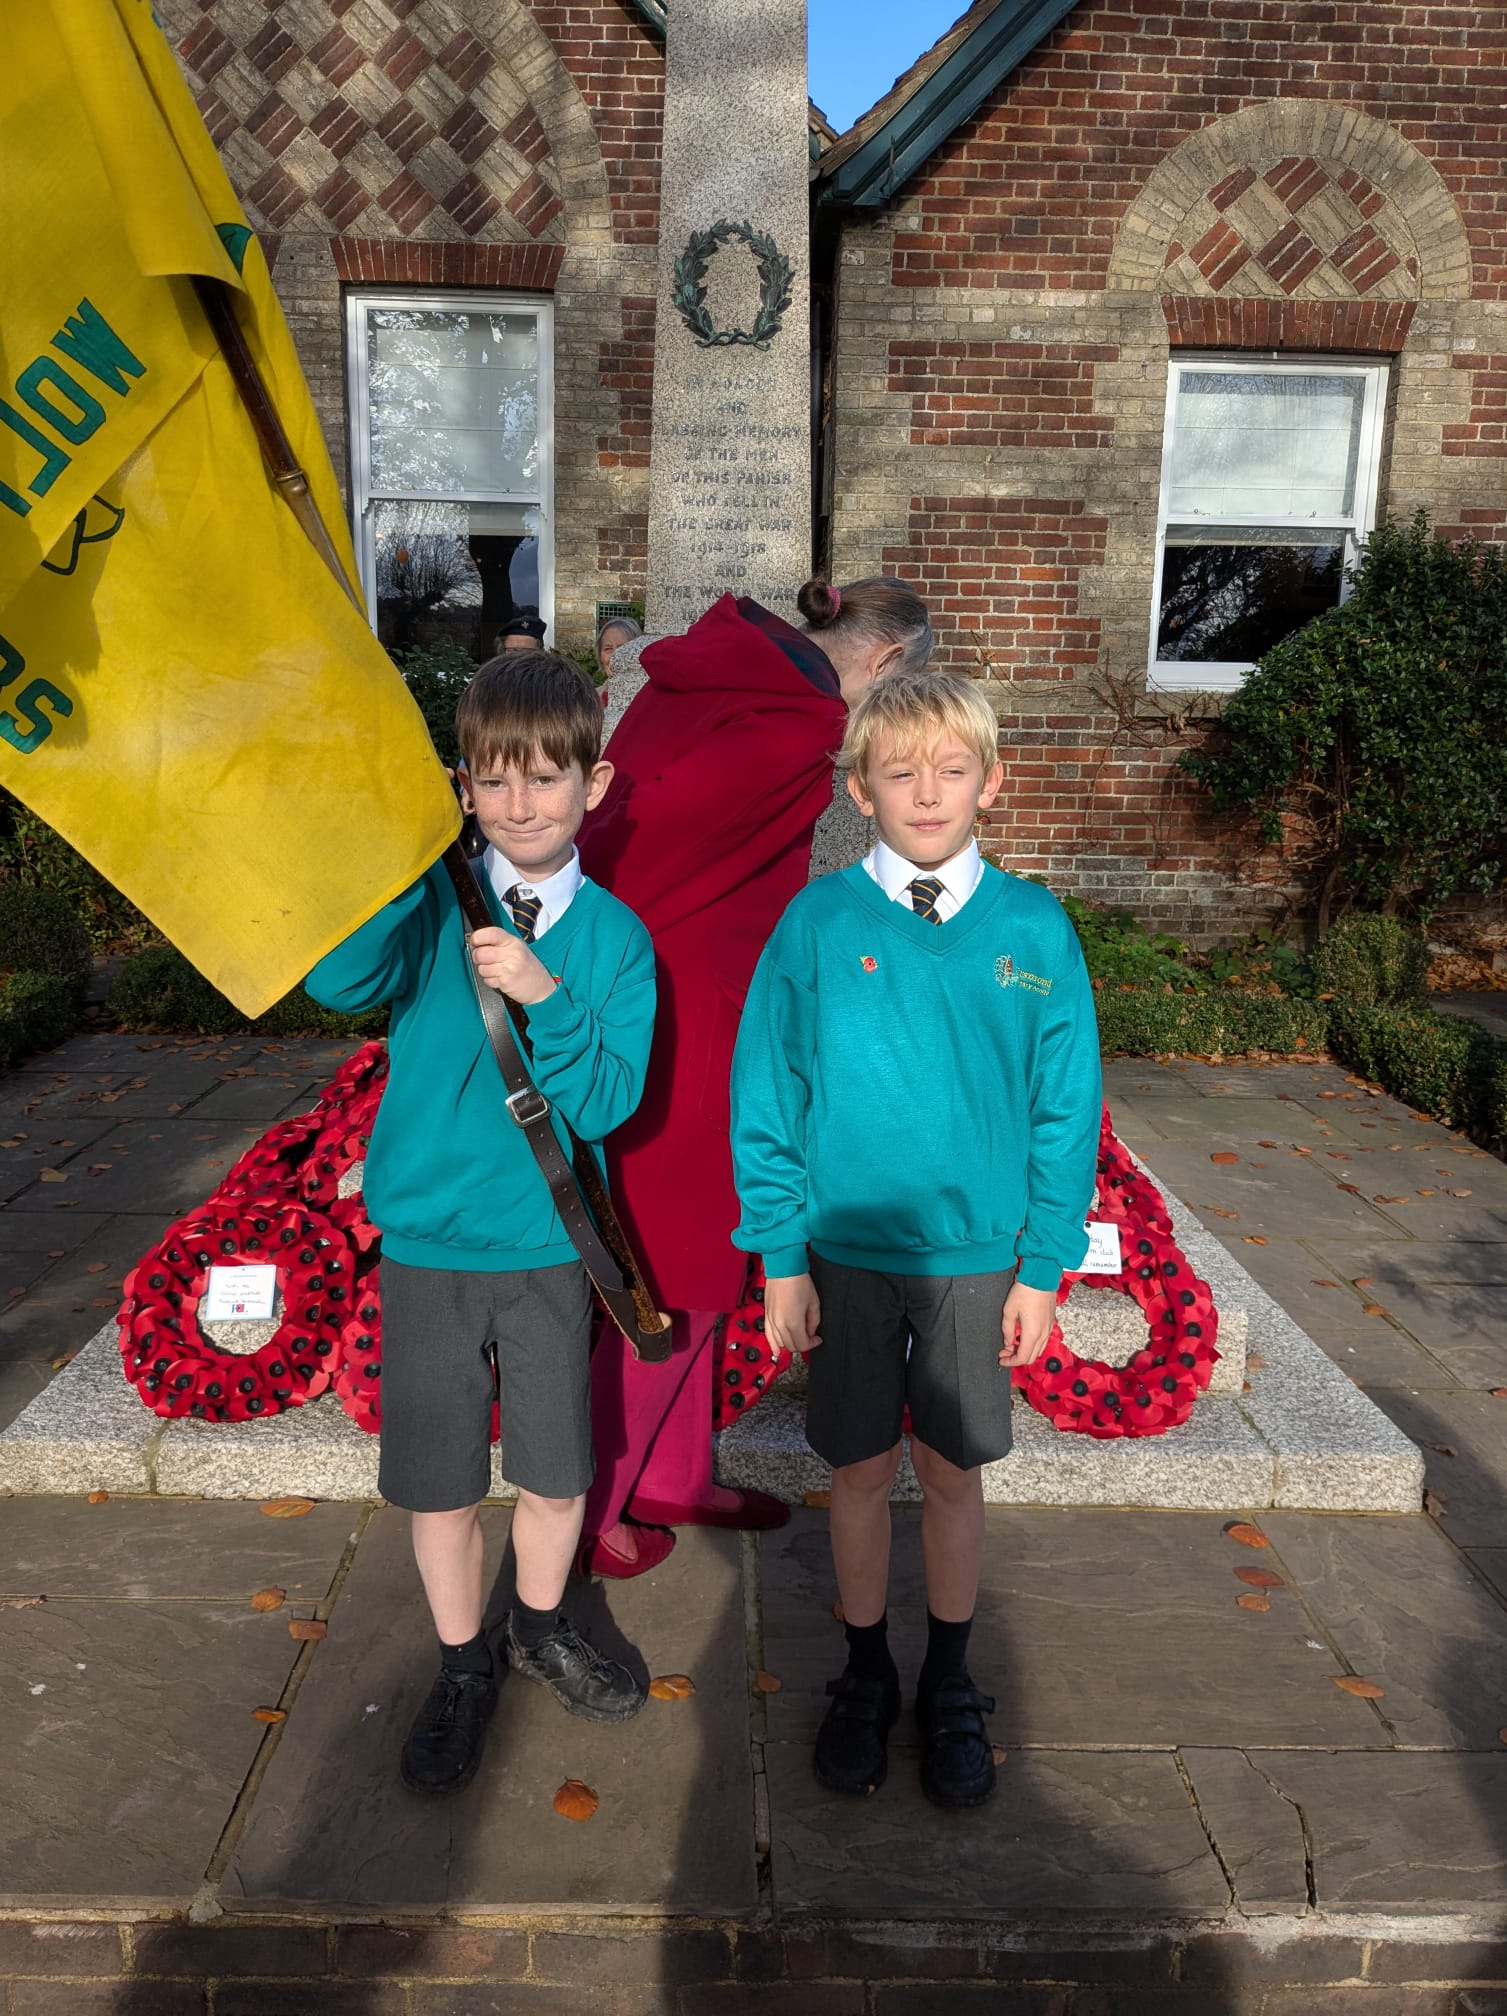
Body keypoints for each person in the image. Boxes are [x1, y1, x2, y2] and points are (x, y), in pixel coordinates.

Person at [730, 668, 1101, 1808]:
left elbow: (1063, 1105)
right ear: (861, 788)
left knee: (949, 1470)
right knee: (853, 1468)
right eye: (902, 772)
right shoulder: (818, 923)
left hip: (975, 1260)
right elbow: (769, 1089)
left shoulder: (1034, 929)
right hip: (845, 1253)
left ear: (992, 780)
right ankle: (862, 1672)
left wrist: (1042, 1266)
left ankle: (947, 1679)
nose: (927, 791)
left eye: (951, 769)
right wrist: (782, 1253)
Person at [306, 652, 656, 1795]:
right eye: (496, 782)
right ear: (464, 786)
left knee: (556, 1477)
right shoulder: (430, 904)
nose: (521, 806)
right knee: (443, 1485)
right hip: (430, 1254)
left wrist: (546, 996)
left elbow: (607, 1100)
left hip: (551, 1253)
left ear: (591, 787)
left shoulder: (614, 941)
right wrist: (390, 866)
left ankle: (542, 1622)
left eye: (546, 780)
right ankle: (463, 1663)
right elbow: (340, 980)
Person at [574, 578, 934, 1577]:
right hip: (691, 1023)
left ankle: (676, 1475)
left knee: (697, 1260)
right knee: (677, 1275)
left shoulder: (706, 671)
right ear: (888, 661)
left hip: (665, 999)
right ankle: (599, 1511)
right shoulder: (796, 724)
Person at [596, 614, 642, 681]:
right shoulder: (592, 691)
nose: (614, 655)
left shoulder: (650, 691)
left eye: (622, 648)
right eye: (608, 649)